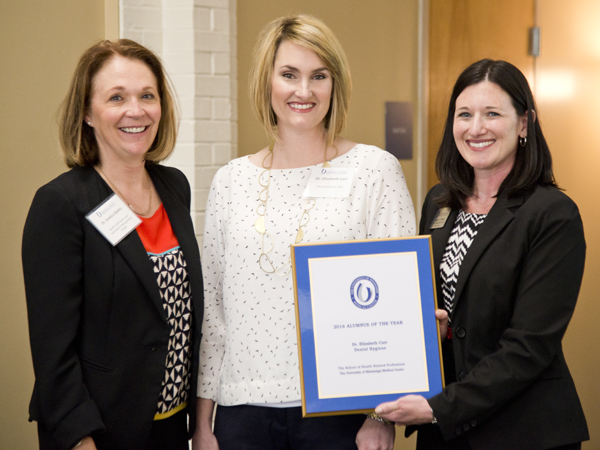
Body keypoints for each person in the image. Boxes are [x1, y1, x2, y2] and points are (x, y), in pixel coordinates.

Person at [193, 14, 416, 450]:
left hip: (339, 413)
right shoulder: (230, 181)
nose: (304, 91)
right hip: (241, 413)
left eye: (319, 76)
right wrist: (202, 424)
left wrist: (379, 416)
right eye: (289, 74)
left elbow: (398, 305)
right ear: (267, 82)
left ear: (336, 85)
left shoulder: (374, 171)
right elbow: (214, 314)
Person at [374, 59, 589, 450]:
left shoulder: (552, 213)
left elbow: (529, 346)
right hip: (446, 434)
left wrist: (440, 406)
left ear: (524, 123)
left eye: (492, 113)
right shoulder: (439, 202)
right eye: (465, 114)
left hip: (523, 431)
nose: (476, 128)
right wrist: (428, 331)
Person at [22, 39, 204, 450]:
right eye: (116, 97)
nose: (135, 110)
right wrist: (80, 439)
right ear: (87, 113)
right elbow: (54, 354)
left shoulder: (174, 187)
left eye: (147, 96)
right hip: (101, 430)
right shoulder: (61, 204)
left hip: (173, 427)